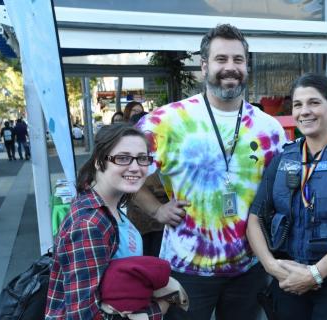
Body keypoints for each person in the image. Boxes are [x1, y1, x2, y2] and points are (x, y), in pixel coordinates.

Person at [134, 24, 287, 320]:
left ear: (247, 66)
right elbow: (122, 170)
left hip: (249, 269)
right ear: (204, 66)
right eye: (221, 59)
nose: (230, 68)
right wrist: (156, 210)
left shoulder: (271, 129)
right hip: (186, 268)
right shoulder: (166, 121)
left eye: (238, 60)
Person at [247, 73, 327, 320]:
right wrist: (271, 266)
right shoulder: (282, 159)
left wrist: (315, 274)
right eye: (298, 105)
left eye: (314, 103)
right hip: (288, 281)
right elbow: (254, 219)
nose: (305, 111)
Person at [45, 123, 170, 319]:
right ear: (98, 161)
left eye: (142, 158)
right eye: (123, 158)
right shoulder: (90, 224)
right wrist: (159, 308)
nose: (136, 167)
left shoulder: (113, 206)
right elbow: (82, 316)